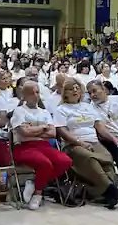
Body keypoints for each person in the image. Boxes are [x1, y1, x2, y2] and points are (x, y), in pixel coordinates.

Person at [8, 82, 73, 210]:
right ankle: (38, 193)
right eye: (31, 93)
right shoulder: (19, 111)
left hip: (44, 146)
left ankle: (34, 182)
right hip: (24, 146)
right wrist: (43, 128)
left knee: (65, 161)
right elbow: (24, 133)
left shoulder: (44, 112)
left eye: (37, 92)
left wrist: (32, 129)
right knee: (45, 164)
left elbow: (53, 133)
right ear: (24, 95)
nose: (35, 95)